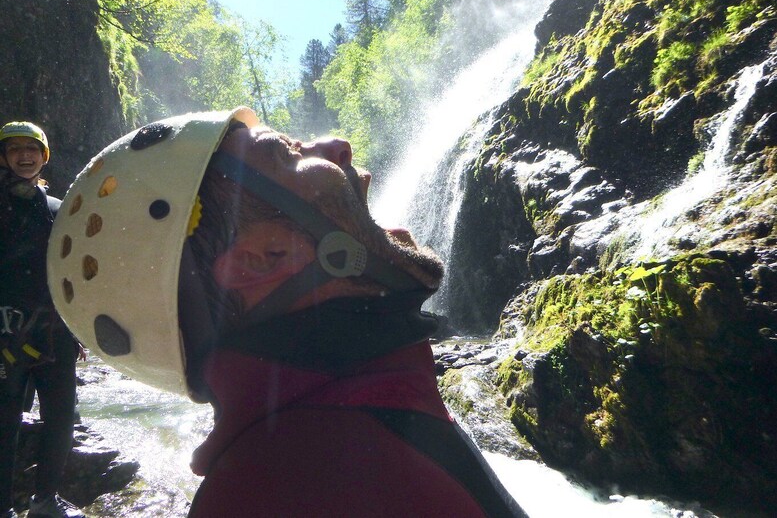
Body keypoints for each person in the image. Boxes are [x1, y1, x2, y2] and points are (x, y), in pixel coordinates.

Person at [48, 108, 527, 517]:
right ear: (264, 258)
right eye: (286, 153)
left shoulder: (316, 448)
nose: (338, 147)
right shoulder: (318, 482)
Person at [0, 122, 85, 518]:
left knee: (61, 416)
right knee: (4, 424)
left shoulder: (59, 210)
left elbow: (71, 272)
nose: (23, 155)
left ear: (43, 157)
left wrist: (78, 327)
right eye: (14, 149)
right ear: (4, 157)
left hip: (54, 332)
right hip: (5, 333)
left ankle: (45, 500)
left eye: (31, 149)